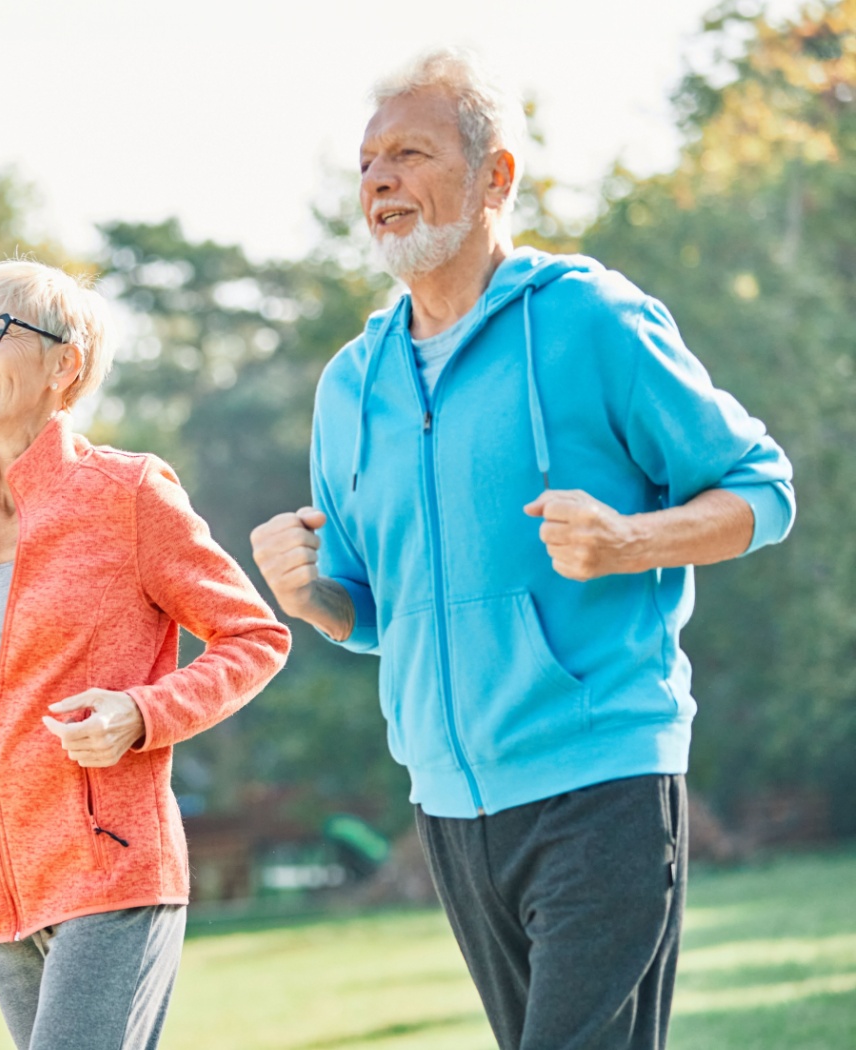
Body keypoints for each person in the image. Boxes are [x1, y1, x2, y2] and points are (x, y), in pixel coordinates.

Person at [250, 49, 793, 1050]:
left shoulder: (590, 319)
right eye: (366, 165)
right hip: (450, 808)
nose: (377, 182)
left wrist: (632, 539)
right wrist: (309, 595)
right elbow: (370, 615)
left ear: (494, 175)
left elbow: (761, 489)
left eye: (408, 154)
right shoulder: (348, 387)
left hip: (602, 777)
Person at [0, 259, 290, 1050]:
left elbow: (256, 637)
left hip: (114, 875)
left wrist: (142, 714)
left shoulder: (130, 495)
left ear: (64, 365)